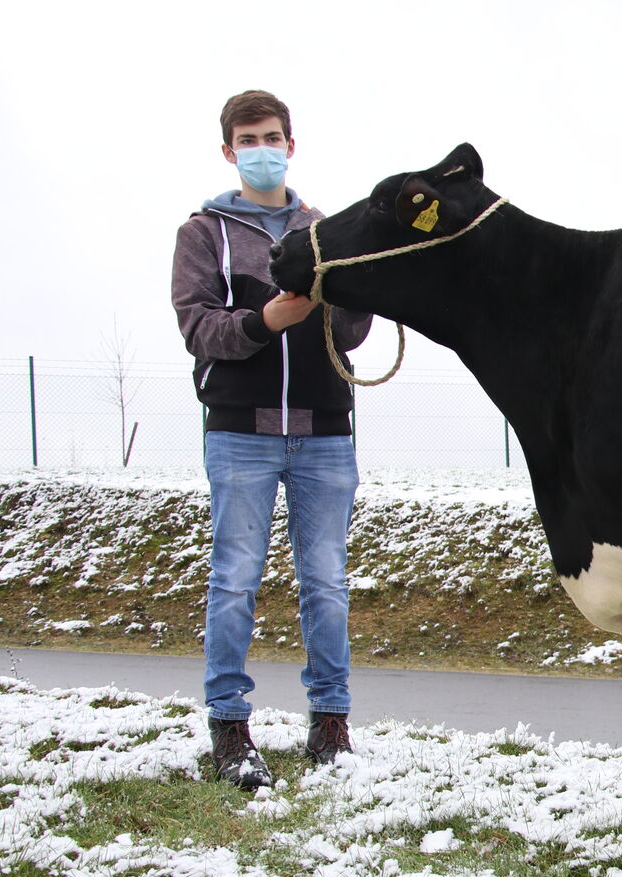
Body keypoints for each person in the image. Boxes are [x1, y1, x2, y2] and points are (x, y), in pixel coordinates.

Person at [171, 90, 372, 790]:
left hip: (324, 435)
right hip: (240, 436)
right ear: (229, 151)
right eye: (249, 138)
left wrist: (346, 292)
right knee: (234, 582)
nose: (263, 147)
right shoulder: (204, 232)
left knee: (327, 584)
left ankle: (331, 724)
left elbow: (352, 332)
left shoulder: (324, 228)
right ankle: (229, 726)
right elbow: (199, 327)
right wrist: (268, 318)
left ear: (292, 144)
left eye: (274, 136)